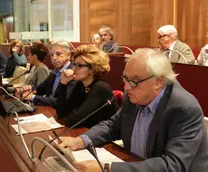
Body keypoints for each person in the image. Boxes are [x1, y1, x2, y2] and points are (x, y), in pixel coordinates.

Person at [58, 48, 208, 172]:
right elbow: (113, 125)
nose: (126, 87)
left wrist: (107, 168)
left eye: (134, 81)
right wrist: (81, 140)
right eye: (125, 79)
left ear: (158, 81)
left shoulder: (184, 109)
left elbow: (173, 165)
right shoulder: (133, 95)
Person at [56, 44, 119, 128]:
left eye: (79, 66)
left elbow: (75, 121)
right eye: (74, 64)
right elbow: (61, 112)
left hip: (108, 137)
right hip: (89, 132)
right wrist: (63, 83)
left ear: (92, 69)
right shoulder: (80, 85)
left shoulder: (100, 88)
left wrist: (70, 115)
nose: (74, 69)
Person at [19, 39, 75, 108]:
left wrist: (33, 97)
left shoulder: (73, 74)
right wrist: (29, 90)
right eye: (51, 54)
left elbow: (60, 102)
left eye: (58, 54)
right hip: (49, 112)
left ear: (68, 55)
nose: (54, 58)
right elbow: (41, 88)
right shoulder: (55, 72)